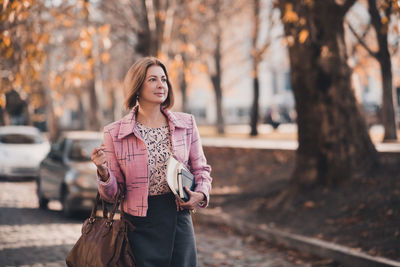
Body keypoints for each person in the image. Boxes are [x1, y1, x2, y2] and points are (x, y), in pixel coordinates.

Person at [91, 57, 212, 267]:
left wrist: (200, 194)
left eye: (163, 79)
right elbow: (112, 194)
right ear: (137, 87)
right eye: (152, 79)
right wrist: (103, 170)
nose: (160, 85)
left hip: (178, 220)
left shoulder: (187, 124)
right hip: (138, 226)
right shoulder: (114, 133)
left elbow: (201, 169)